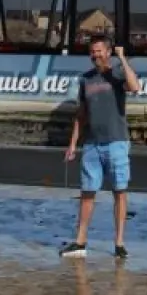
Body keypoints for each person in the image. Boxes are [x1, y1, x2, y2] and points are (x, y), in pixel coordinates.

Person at [60, 37, 139, 258]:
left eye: (99, 51)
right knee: (87, 193)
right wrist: (73, 144)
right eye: (92, 52)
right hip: (92, 144)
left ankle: (119, 244)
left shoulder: (118, 74)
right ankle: (80, 242)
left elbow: (135, 87)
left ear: (108, 52)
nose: (95, 55)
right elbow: (81, 115)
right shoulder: (85, 79)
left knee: (119, 192)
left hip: (116, 142)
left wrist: (122, 58)